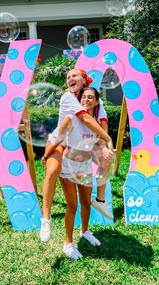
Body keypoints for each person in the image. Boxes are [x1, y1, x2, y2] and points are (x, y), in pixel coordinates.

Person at [40, 69, 114, 242]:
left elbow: (102, 123)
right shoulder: (68, 98)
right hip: (58, 142)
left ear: (84, 80)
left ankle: (100, 201)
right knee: (52, 171)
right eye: (67, 77)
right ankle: (45, 219)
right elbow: (85, 119)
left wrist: (103, 145)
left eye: (74, 76)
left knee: (105, 159)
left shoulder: (95, 100)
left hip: (76, 145)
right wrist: (107, 140)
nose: (69, 79)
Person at [58, 87, 113, 259]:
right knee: (72, 206)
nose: (86, 99)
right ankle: (68, 243)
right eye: (83, 97)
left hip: (85, 165)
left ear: (97, 102)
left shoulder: (95, 121)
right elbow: (57, 137)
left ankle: (85, 231)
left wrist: (104, 148)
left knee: (86, 203)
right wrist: (47, 156)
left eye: (90, 97)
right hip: (68, 164)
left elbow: (101, 139)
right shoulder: (74, 115)